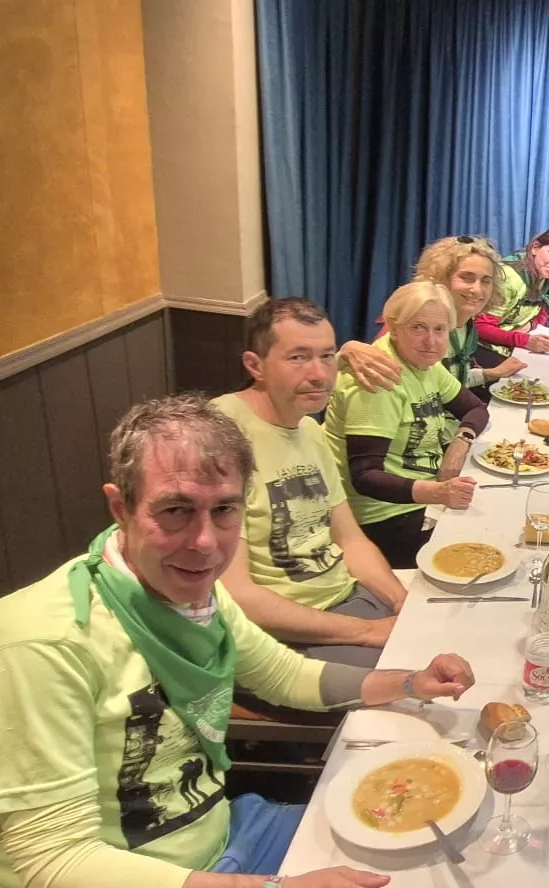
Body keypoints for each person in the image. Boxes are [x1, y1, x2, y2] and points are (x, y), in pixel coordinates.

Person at [0, 394, 477, 888]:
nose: (206, 543)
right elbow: (55, 868)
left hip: (219, 845)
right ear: (120, 507)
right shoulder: (37, 648)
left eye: (225, 511)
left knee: (441, 872)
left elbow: (286, 675)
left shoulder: (191, 594)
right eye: (175, 511)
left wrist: (409, 682)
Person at [211, 298, 407, 668]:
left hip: (348, 602)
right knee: (422, 683)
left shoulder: (309, 430)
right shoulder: (220, 437)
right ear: (256, 366)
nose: (319, 374)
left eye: (327, 356)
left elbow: (349, 539)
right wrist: (367, 631)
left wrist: (401, 601)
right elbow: (234, 595)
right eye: (298, 357)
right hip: (278, 635)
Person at [322, 282, 487, 566]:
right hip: (382, 518)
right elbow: (365, 477)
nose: (431, 341)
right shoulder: (378, 378)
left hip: (418, 499)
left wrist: (462, 440)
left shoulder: (425, 365)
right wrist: (438, 493)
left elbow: (475, 408)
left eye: (439, 330)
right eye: (418, 328)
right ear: (393, 328)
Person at [338, 236, 530, 395]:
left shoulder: (464, 325)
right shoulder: (414, 320)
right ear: (440, 277)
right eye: (467, 277)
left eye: (485, 281)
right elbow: (372, 370)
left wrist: (491, 374)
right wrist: (346, 351)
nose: (477, 289)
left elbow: (445, 380)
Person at [476, 227, 549, 357]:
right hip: (484, 348)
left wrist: (529, 326)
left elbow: (542, 316)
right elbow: (481, 327)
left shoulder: (544, 279)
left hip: (512, 347)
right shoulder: (508, 277)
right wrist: (524, 340)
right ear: (535, 248)